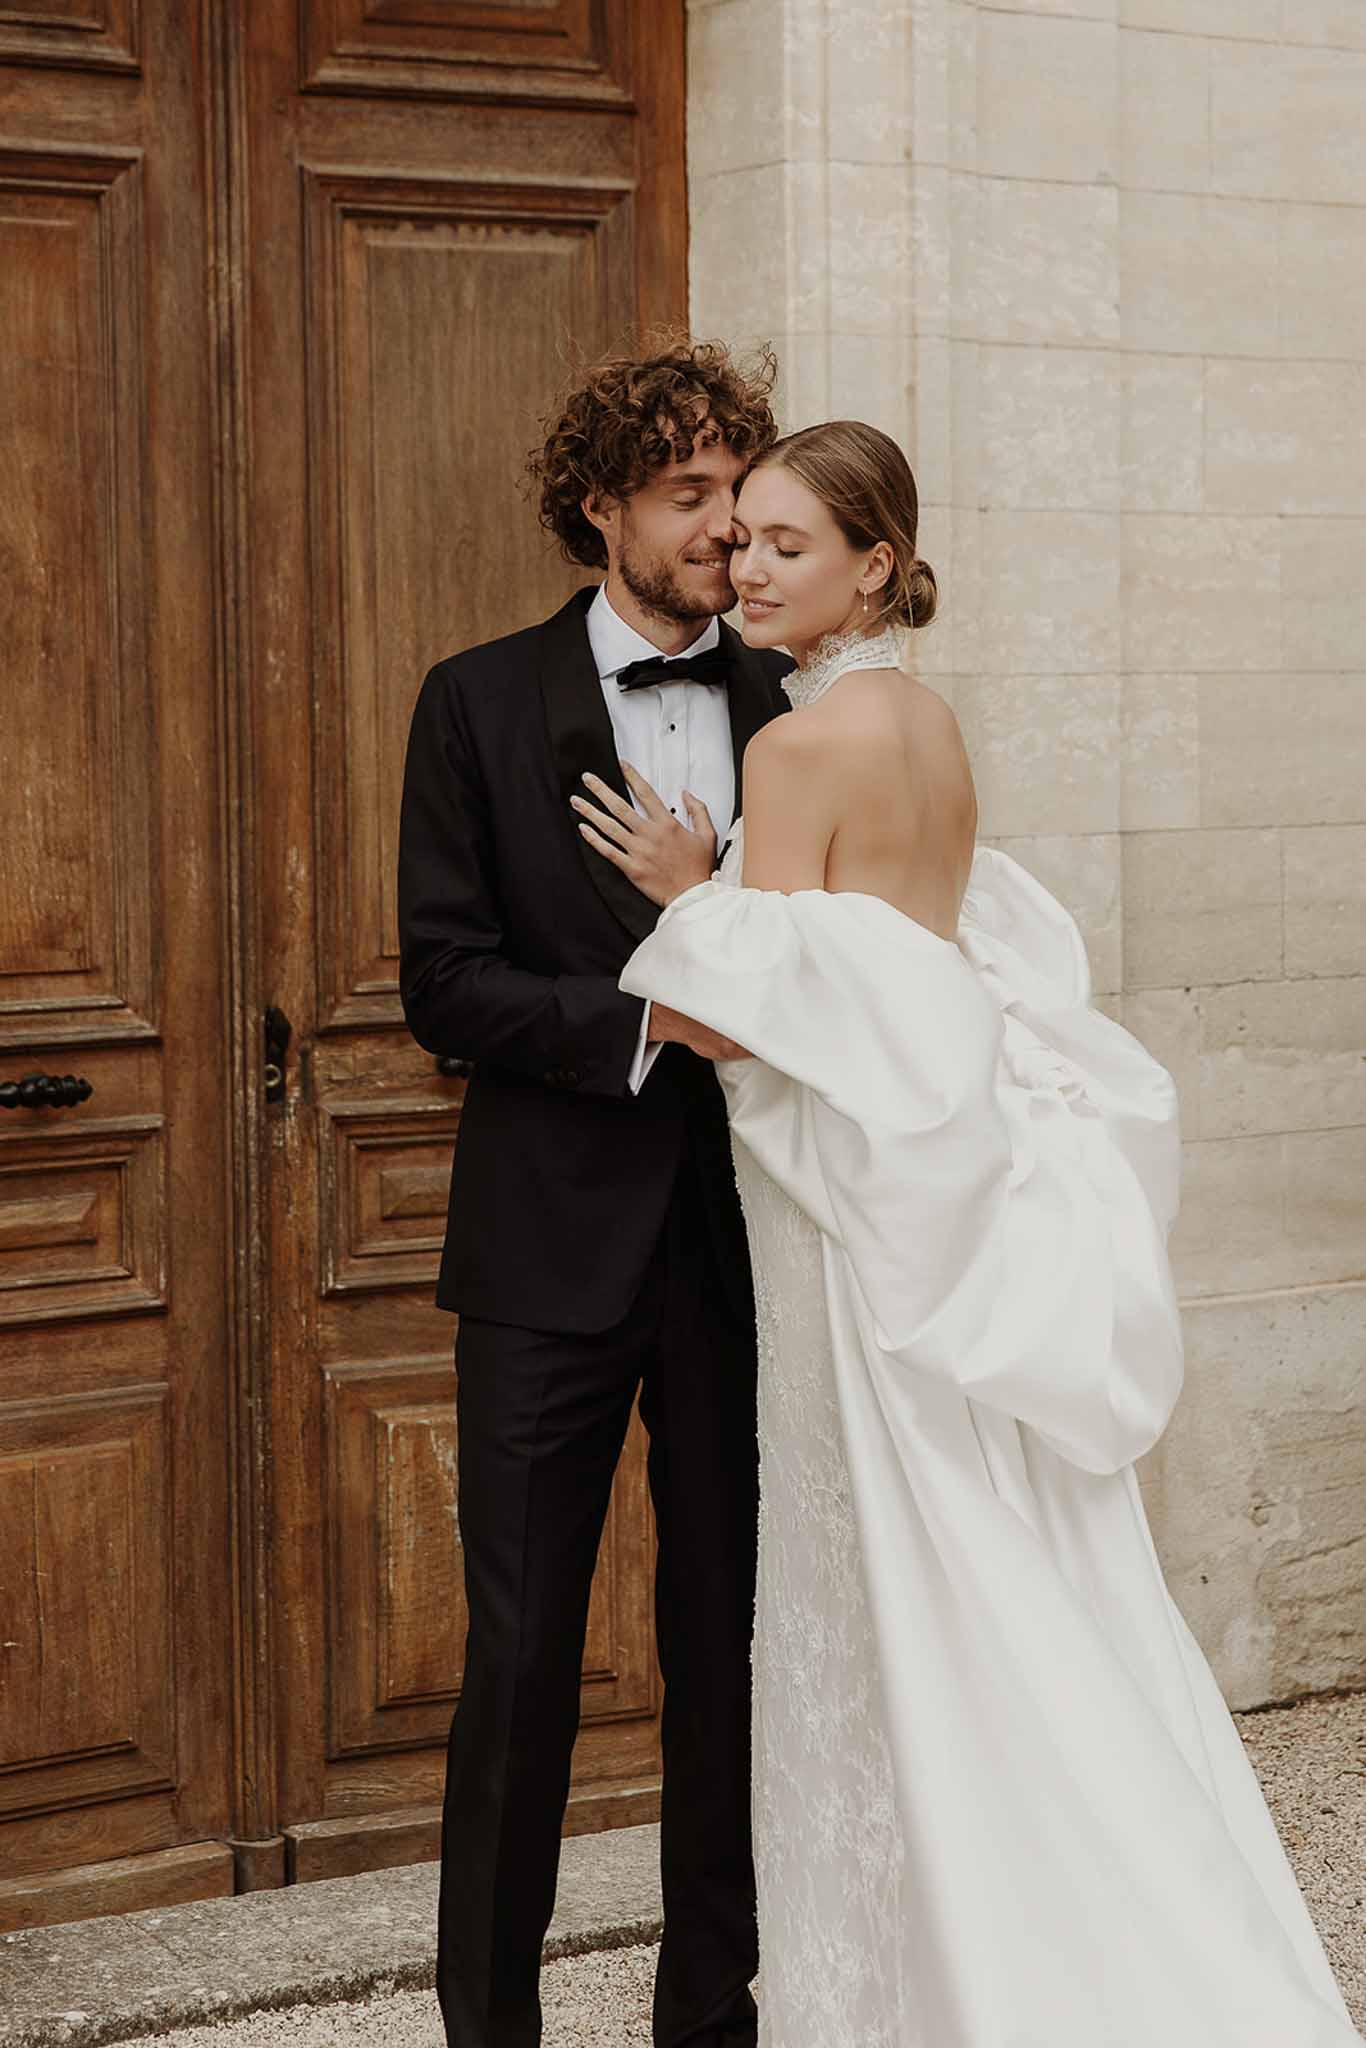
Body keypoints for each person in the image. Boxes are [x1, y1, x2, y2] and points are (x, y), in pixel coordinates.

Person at [581, 419, 1363, 2045]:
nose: (749, 569)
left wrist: (682, 895)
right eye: (742, 542)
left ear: (875, 563)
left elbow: (755, 1022)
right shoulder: (929, 726)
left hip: (846, 1225)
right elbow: (912, 965)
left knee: (894, 1557)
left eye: (788, 544)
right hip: (928, 1182)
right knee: (984, 1531)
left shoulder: (793, 755)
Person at [396, 338, 794, 2048]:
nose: (723, 531)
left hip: (753, 1254)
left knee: (731, 1657)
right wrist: (646, 1013)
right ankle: (490, 2029)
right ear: (600, 508)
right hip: (544, 1252)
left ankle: (708, 2017)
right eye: (688, 496)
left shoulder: (803, 710)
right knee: (521, 1665)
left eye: (739, 494)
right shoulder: (474, 699)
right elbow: (443, 983)